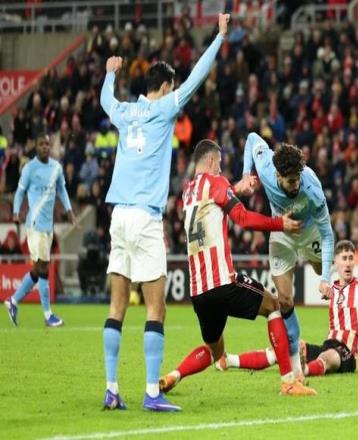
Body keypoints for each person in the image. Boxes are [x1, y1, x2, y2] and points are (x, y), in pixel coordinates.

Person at [99, 13, 230, 412]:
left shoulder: (125, 112)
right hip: (144, 217)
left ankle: (111, 389)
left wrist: (110, 73)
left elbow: (106, 100)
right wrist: (219, 37)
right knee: (156, 307)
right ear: (166, 87)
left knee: (117, 306)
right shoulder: (164, 109)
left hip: (118, 217)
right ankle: (152, 393)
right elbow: (197, 78)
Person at [158, 139, 316, 397]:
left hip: (199, 292)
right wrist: (280, 224)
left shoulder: (189, 191)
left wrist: (236, 188)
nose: (221, 168)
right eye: (219, 163)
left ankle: (173, 376)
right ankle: (289, 382)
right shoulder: (216, 182)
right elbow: (243, 218)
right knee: (274, 306)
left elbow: (216, 199)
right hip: (223, 281)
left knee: (215, 351)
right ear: (211, 160)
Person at [216, 240, 358, 376]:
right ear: (335, 262)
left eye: (351, 258)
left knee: (328, 358)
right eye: (344, 258)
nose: (348, 263)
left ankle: (301, 371)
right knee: (287, 348)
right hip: (328, 345)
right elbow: (354, 321)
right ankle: (229, 360)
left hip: (345, 354)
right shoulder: (331, 289)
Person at [236, 132, 334, 380]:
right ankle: (296, 363)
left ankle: (347, 330)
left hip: (310, 232)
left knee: (327, 276)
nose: (295, 185)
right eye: (290, 181)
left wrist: (325, 278)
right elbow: (251, 138)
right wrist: (246, 174)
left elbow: (327, 235)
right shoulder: (266, 166)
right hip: (282, 233)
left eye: (297, 179)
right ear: (278, 176)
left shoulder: (312, 190)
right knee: (285, 299)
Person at [4, 133, 77, 327]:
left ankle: (13, 300)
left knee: (39, 268)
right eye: (41, 144)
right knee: (43, 266)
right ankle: (48, 315)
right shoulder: (30, 169)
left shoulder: (56, 168)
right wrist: (15, 212)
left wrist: (69, 211)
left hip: (48, 226)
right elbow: (20, 192)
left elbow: (62, 190)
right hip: (35, 224)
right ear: (36, 147)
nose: (45, 147)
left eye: (47, 144)